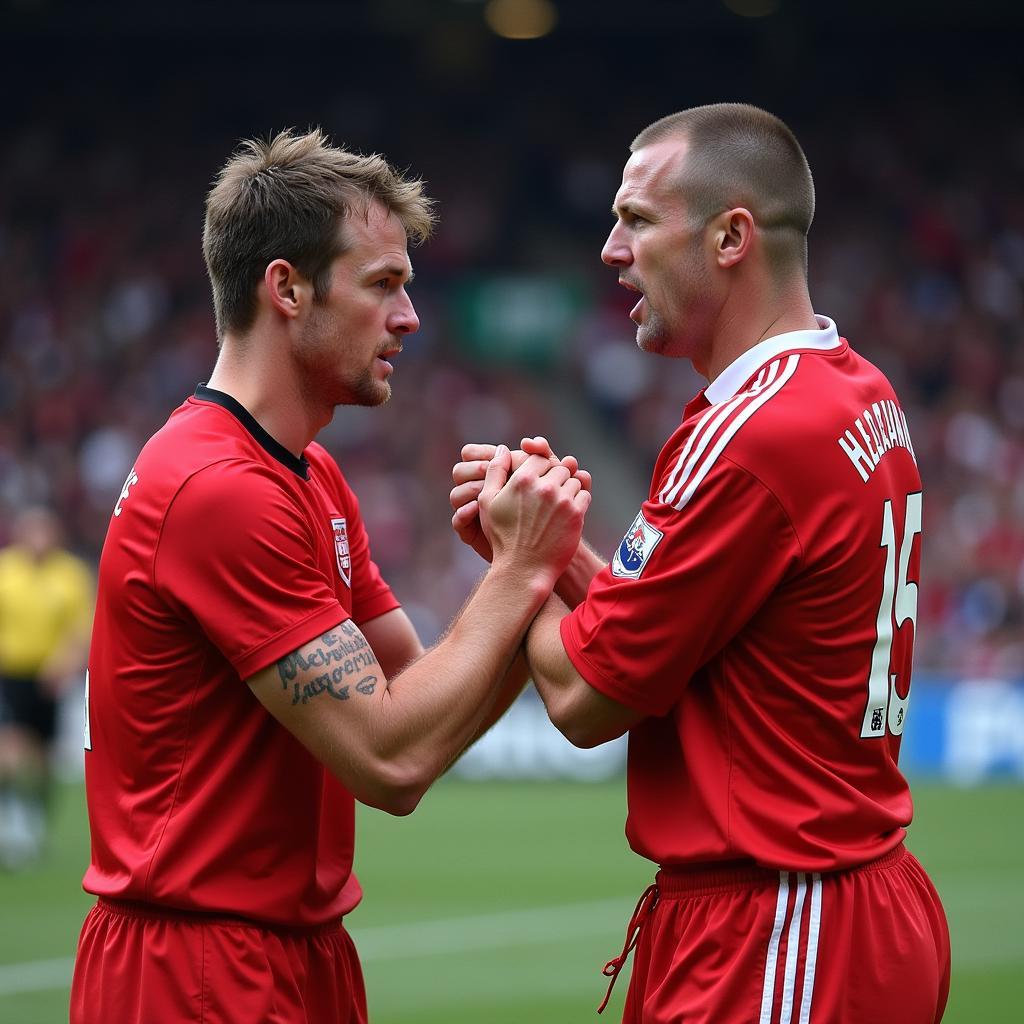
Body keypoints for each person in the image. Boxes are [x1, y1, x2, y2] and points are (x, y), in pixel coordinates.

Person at [69, 128, 590, 1024]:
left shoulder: (308, 474)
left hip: (292, 954)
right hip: (193, 967)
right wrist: (520, 573)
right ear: (287, 288)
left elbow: (415, 707)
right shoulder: (219, 489)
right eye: (383, 284)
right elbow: (389, 759)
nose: (411, 317)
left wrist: (526, 574)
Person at [451, 104, 950, 1023]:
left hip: (780, 926)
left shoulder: (753, 432)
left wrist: (519, 564)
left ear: (730, 237)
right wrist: (556, 557)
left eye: (636, 219)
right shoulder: (854, 389)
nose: (609, 249)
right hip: (838, 902)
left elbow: (586, 697)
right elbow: (664, 633)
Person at [0, 506, 93, 867]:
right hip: (11, 674)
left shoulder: (69, 574)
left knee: (42, 759)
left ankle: (34, 819)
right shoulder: (6, 570)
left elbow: (81, 627)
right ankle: (12, 819)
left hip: (49, 678)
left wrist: (65, 664)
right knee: (11, 746)